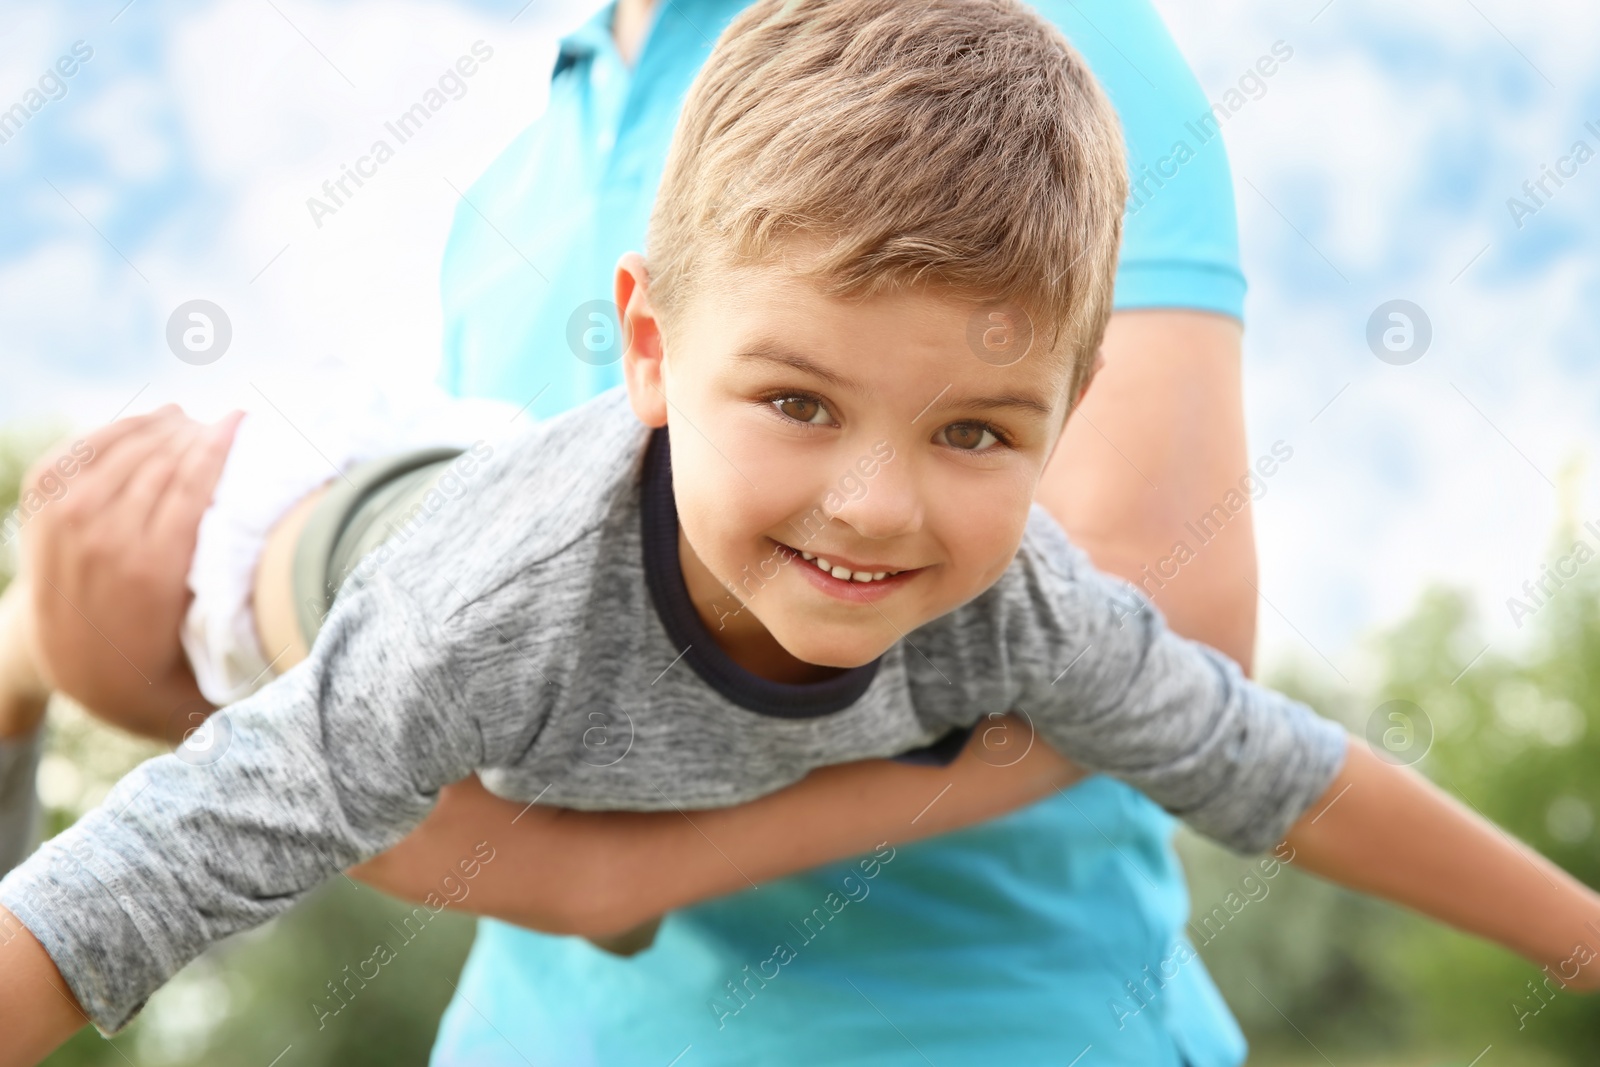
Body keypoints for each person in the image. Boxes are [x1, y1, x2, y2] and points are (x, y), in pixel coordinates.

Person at [5, 5, 1600, 1066]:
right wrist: (135, 683)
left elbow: (1270, 762)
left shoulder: (1022, 604)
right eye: (799, 402)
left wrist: (1580, 939)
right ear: (650, 348)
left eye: (974, 430)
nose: (879, 505)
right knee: (62, 611)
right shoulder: (474, 605)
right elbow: (136, 885)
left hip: (977, 1012)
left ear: (1067, 397)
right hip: (312, 536)